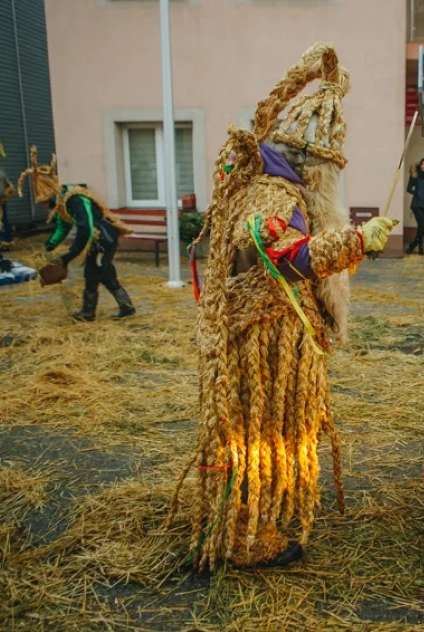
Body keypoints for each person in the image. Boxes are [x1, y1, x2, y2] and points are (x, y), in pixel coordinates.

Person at [166, 43, 397, 572]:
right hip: (264, 343)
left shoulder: (262, 185)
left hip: (266, 339)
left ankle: (244, 523)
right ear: (313, 166)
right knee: (258, 435)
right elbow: (283, 255)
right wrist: (354, 242)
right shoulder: (275, 195)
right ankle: (246, 535)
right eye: (328, 171)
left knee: (256, 434)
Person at [16, 146, 136, 321]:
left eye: (44, 203)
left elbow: (86, 229)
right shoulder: (63, 204)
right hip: (98, 240)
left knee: (92, 273)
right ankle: (127, 307)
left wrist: (68, 256)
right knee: (106, 273)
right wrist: (50, 245)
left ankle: (88, 313)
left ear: (51, 197)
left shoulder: (75, 199)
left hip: (102, 240)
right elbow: (63, 226)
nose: (45, 207)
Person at [405, 158, 424, 255]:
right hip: (417, 204)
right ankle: (421, 247)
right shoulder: (415, 175)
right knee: (421, 225)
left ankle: (414, 244)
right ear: (420, 165)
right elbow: (409, 188)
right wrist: (417, 192)